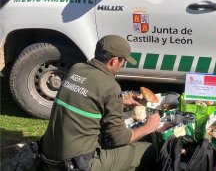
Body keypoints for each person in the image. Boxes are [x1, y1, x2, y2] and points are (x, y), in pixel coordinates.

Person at [40, 35, 160, 171]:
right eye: (123, 62)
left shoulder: (76, 69)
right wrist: (148, 128)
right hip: (77, 164)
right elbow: (118, 138)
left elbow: (86, 98)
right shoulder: (110, 86)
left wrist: (120, 101)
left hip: (48, 155)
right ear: (114, 61)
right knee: (147, 150)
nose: (123, 65)